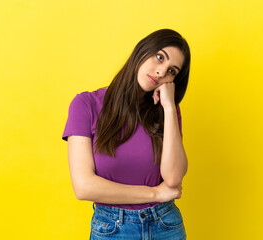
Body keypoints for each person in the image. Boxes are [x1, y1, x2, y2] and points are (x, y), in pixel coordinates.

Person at [62, 28, 191, 240]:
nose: (161, 72)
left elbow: (174, 178)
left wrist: (169, 108)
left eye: (172, 71)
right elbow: (84, 187)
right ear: (142, 49)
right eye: (159, 57)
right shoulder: (86, 105)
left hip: (166, 225)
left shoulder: (167, 111)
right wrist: (155, 194)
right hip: (112, 228)